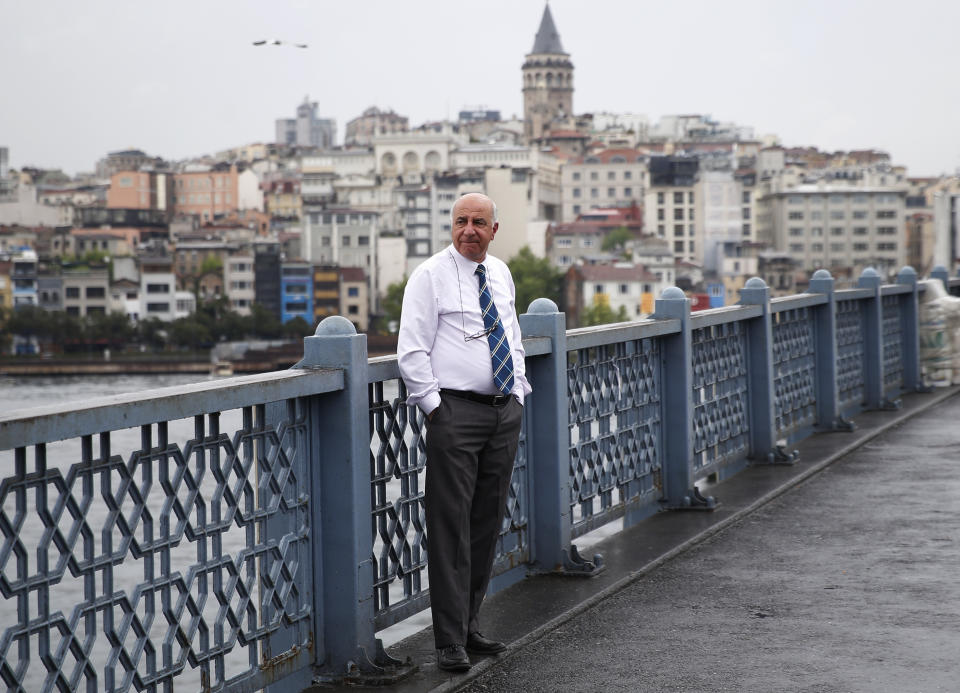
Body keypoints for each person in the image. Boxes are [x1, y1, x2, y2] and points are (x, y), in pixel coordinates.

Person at [397, 192, 531, 673]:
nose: (468, 230)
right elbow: (411, 351)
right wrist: (436, 409)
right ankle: (448, 641)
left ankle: (471, 626)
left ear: (495, 229)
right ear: (450, 227)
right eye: (460, 221)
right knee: (450, 528)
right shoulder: (429, 275)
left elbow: (510, 333)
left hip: (502, 413)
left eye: (478, 222)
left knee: (485, 523)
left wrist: (518, 391)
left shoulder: (500, 273)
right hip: (455, 414)